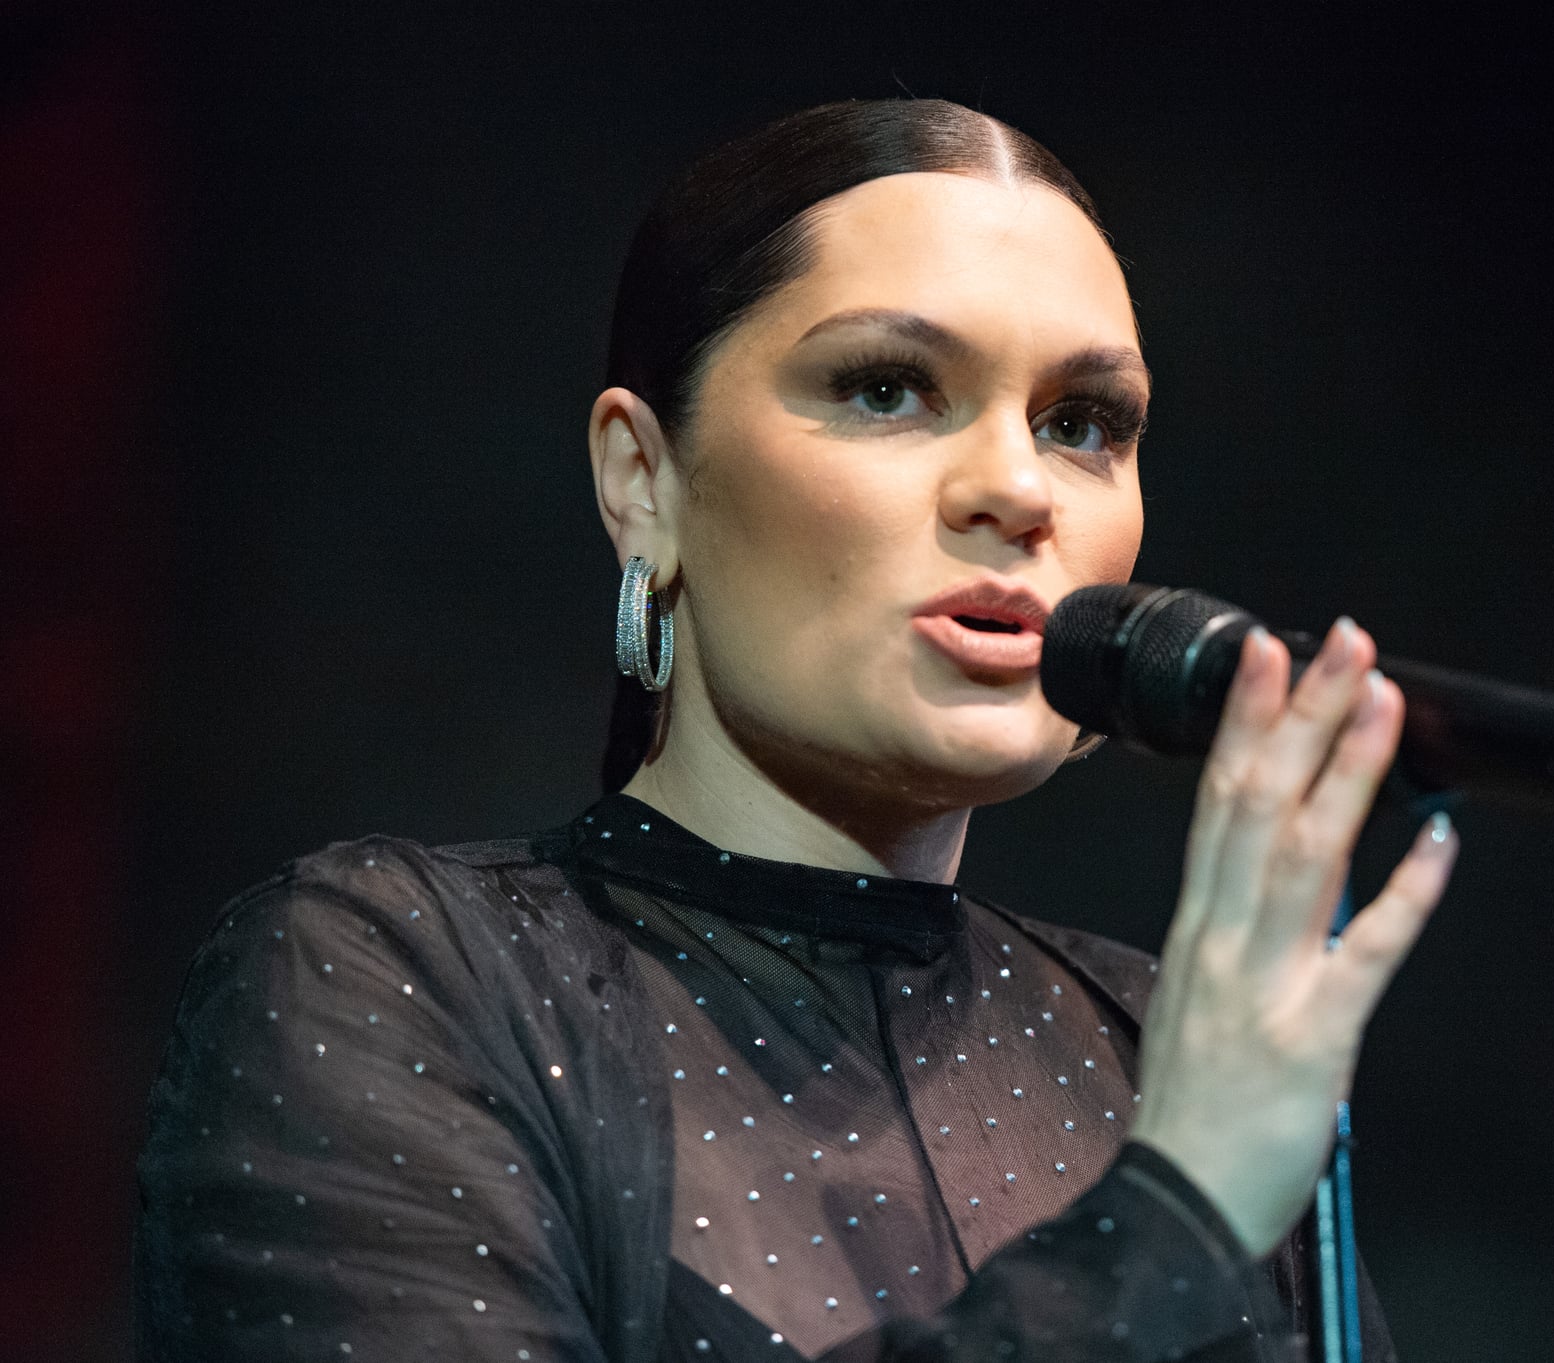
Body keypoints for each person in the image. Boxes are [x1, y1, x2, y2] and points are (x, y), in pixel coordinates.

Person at [134, 99, 1458, 1362]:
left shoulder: (1166, 1046)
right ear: (643, 481)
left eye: (1082, 423)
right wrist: (1173, 1214)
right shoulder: (396, 975)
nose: (1014, 488)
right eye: (889, 388)